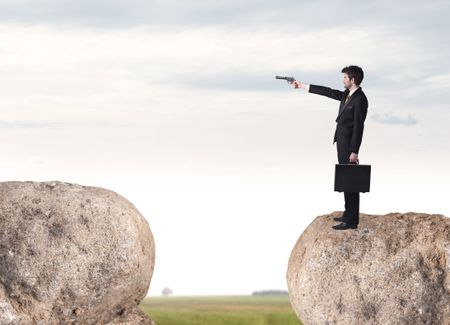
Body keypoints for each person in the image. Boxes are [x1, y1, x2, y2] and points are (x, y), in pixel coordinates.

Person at [293, 65, 368, 230]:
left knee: (351, 181)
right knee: (345, 179)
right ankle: (348, 213)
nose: (343, 80)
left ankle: (351, 221)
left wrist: (354, 151)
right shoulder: (347, 94)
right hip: (342, 142)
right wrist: (303, 86)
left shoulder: (360, 99)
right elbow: (328, 92)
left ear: (353, 80)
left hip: (349, 145)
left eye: (345, 78)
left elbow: (359, 127)